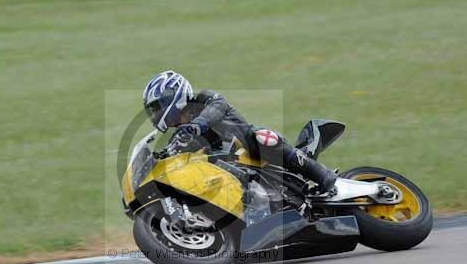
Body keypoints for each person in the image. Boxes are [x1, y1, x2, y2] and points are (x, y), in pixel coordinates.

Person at [142, 70, 337, 194]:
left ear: (173, 95)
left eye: (156, 107)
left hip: (249, 148)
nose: (155, 113)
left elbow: (218, 107)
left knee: (263, 138)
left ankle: (321, 174)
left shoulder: (205, 98)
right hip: (227, 168)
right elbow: (175, 153)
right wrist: (157, 159)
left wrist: (199, 123)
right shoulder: (181, 135)